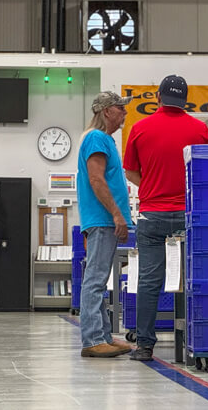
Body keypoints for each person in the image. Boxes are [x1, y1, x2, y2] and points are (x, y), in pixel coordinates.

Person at [123, 75, 208, 361]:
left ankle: (145, 346)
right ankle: (201, 340)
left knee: (149, 281)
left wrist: (151, 187)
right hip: (190, 215)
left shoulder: (139, 128)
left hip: (152, 215)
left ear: (158, 98)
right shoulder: (201, 130)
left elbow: (130, 172)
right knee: (198, 278)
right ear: (185, 101)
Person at [77, 91, 135, 358]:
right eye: (120, 108)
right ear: (106, 111)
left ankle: (102, 336)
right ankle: (92, 340)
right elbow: (96, 180)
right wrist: (116, 214)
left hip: (102, 220)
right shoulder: (97, 138)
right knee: (95, 281)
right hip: (102, 220)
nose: (124, 113)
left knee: (99, 280)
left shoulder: (105, 140)